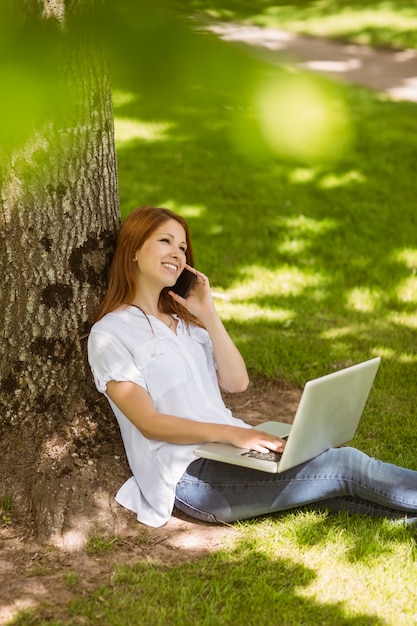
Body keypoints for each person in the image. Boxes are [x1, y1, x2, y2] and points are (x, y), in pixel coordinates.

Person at [88, 205, 417, 528]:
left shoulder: (186, 324)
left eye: (183, 247)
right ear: (132, 249)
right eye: (165, 241)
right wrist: (233, 433)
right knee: (344, 464)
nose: (177, 253)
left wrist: (208, 315)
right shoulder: (111, 334)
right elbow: (149, 423)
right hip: (190, 476)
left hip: (228, 451)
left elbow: (236, 382)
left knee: (331, 482)